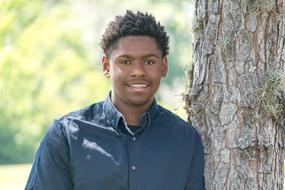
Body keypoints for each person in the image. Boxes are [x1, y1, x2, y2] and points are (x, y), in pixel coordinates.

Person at [25, 10, 205, 190]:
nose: (138, 71)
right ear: (106, 66)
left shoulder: (186, 139)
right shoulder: (66, 136)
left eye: (149, 61)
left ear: (163, 66)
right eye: (125, 62)